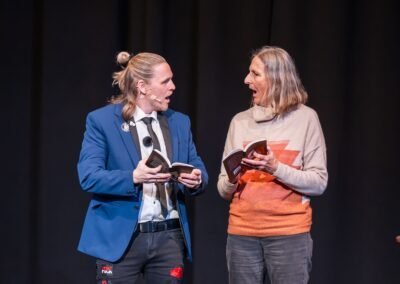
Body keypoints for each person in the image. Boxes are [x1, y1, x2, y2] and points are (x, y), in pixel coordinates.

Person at [77, 51, 208, 283]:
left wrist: (197, 178)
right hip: (122, 239)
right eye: (165, 81)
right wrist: (133, 177)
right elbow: (89, 176)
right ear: (142, 87)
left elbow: (195, 162)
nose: (173, 87)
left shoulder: (179, 122)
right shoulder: (103, 121)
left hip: (168, 237)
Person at [217, 46, 328, 284]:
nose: (247, 80)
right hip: (241, 233)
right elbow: (223, 189)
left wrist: (275, 167)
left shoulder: (306, 119)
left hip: (288, 234)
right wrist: (233, 178)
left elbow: (319, 183)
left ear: (277, 78)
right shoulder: (239, 122)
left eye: (255, 74)